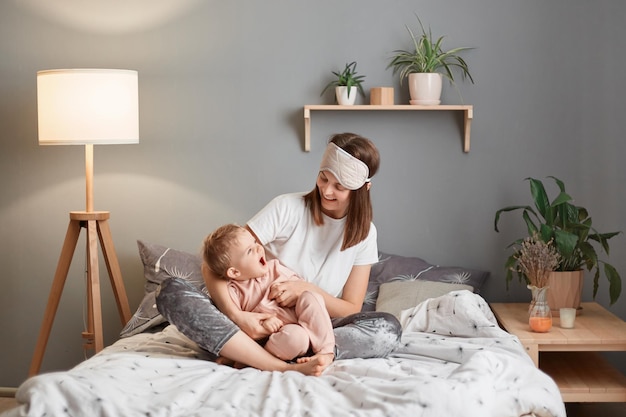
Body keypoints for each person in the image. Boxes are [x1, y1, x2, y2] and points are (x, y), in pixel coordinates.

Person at [156, 132, 402, 377]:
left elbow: (350, 308)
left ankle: (253, 352)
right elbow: (214, 265)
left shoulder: (365, 234)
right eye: (323, 178)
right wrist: (239, 317)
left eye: (339, 186)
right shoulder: (287, 207)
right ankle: (276, 361)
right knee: (170, 292)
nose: (326, 191)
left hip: (311, 326)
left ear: (362, 190)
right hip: (251, 322)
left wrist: (304, 289)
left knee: (387, 329)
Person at [202, 223, 335, 363]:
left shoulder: (275, 268)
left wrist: (292, 290)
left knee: (311, 297)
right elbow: (236, 326)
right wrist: (265, 322)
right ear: (234, 272)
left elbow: (299, 289)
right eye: (249, 251)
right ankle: (255, 359)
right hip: (276, 340)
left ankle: (325, 352)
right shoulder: (233, 291)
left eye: (254, 242)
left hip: (302, 320)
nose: (259, 247)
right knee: (297, 338)